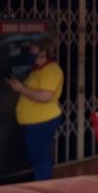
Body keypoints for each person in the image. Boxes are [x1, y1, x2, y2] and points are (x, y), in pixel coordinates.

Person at [5, 38, 64, 180]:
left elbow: (45, 96)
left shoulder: (51, 70)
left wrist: (21, 89)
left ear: (43, 52)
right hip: (36, 121)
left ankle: (43, 186)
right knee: (37, 155)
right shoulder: (38, 69)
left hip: (43, 121)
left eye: (33, 48)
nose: (30, 51)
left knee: (40, 157)